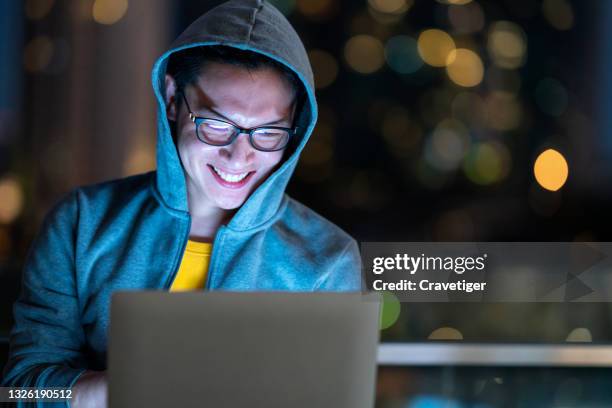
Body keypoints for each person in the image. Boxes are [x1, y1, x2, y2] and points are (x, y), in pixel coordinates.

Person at [1, 0, 362, 406]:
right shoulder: (81, 223)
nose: (239, 156)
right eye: (216, 125)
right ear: (173, 99)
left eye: (267, 133)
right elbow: (19, 388)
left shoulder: (327, 261)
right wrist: (117, 390)